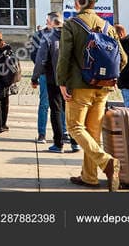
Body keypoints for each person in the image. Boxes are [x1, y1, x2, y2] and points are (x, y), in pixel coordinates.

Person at [57, 0, 128, 191]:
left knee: (74, 127)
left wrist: (62, 82)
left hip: (80, 87)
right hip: (103, 88)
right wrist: (110, 78)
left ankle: (106, 161)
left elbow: (64, 57)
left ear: (78, 3)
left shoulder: (72, 24)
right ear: (95, 4)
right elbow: (123, 58)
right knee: (93, 133)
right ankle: (89, 177)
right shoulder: (108, 26)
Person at [32, 12, 79, 153]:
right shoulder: (72, 35)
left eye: (47, 21)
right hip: (71, 80)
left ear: (52, 22)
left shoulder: (48, 37)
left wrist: (35, 78)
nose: (46, 24)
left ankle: (58, 144)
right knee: (71, 111)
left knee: (56, 110)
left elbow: (41, 60)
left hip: (54, 79)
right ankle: (75, 142)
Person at [28, 24, 49, 143]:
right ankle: (63, 133)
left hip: (45, 73)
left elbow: (34, 56)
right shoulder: (65, 33)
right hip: (55, 75)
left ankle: (42, 134)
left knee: (45, 105)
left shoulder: (40, 35)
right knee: (59, 105)